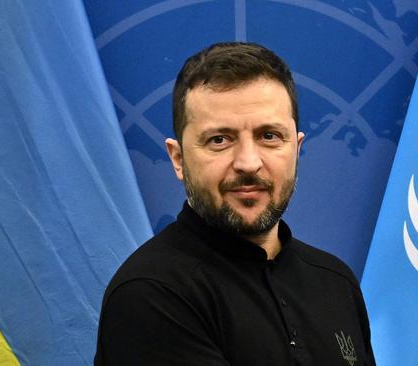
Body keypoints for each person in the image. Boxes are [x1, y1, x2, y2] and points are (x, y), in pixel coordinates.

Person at [95, 42, 376, 366]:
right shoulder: (150, 293)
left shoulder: (335, 282)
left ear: (296, 149)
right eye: (220, 140)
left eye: (269, 136)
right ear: (178, 158)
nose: (248, 162)